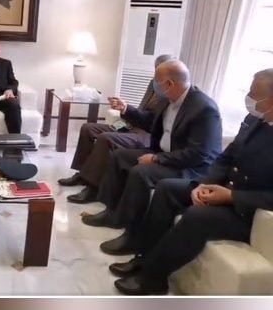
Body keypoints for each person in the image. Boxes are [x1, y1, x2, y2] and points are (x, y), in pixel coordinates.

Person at [111, 69, 273, 295]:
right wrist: (206, 184)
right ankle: (143, 257)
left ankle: (153, 278)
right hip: (223, 188)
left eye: (254, 94)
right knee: (167, 189)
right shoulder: (254, 119)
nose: (248, 97)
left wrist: (231, 196)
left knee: (197, 216)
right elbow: (227, 157)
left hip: (250, 210)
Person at [82, 60, 223, 256]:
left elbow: (199, 153)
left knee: (141, 173)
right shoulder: (167, 100)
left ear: (170, 84)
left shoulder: (204, 109)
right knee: (119, 156)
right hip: (165, 154)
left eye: (157, 81)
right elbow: (151, 123)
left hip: (190, 166)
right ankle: (112, 213)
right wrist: (127, 110)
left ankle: (132, 236)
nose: (154, 85)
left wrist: (157, 160)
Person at [58, 54, 176, 204]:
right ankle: (82, 174)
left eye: (160, 73)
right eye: (155, 71)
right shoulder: (153, 83)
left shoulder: (171, 92)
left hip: (146, 134)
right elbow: (142, 109)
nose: (156, 76)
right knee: (88, 128)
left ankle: (94, 188)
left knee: (106, 138)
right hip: (132, 126)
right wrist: (125, 113)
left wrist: (129, 110)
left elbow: (156, 123)